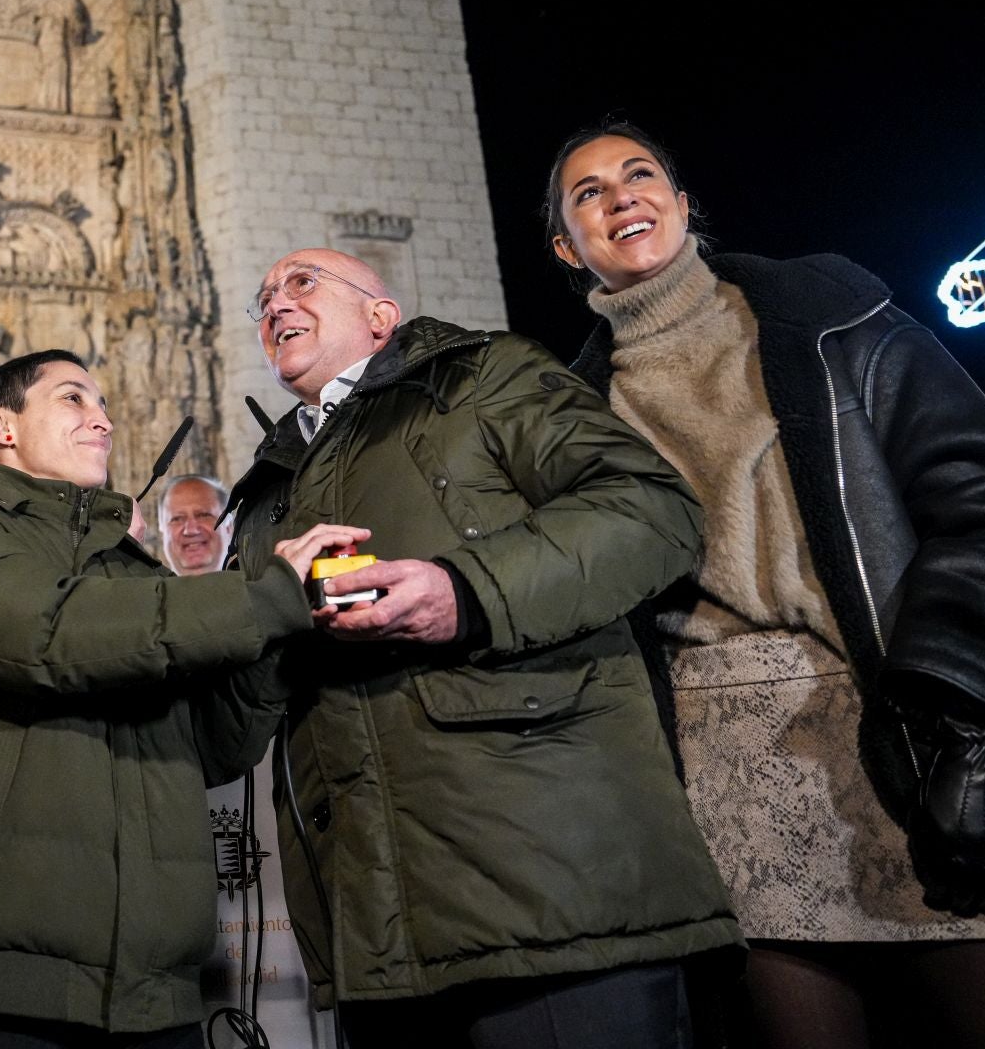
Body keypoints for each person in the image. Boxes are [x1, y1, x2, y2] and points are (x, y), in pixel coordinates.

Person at [547, 122, 985, 1049]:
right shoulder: (565, 412)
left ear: (684, 205)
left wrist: (974, 712)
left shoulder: (832, 317)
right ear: (567, 248)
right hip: (721, 775)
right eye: (587, 193)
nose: (619, 196)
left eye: (639, 173)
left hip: (906, 731)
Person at [225, 248, 738, 1048]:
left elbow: (651, 511)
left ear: (379, 315)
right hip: (377, 936)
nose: (275, 306)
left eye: (301, 283)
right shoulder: (264, 490)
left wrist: (462, 591)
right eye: (261, 301)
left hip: (554, 898)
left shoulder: (480, 377)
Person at [0, 348, 367, 1049]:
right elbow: (49, 635)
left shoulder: (133, 569)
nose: (103, 419)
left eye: (105, 405)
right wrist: (261, 597)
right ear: (1, 424)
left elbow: (216, 746)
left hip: (158, 996)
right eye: (74, 399)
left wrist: (290, 620)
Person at [156, 474, 230, 576]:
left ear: (229, 528)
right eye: (177, 519)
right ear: (162, 531)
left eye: (203, 515)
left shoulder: (255, 590)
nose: (191, 530)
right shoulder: (142, 591)